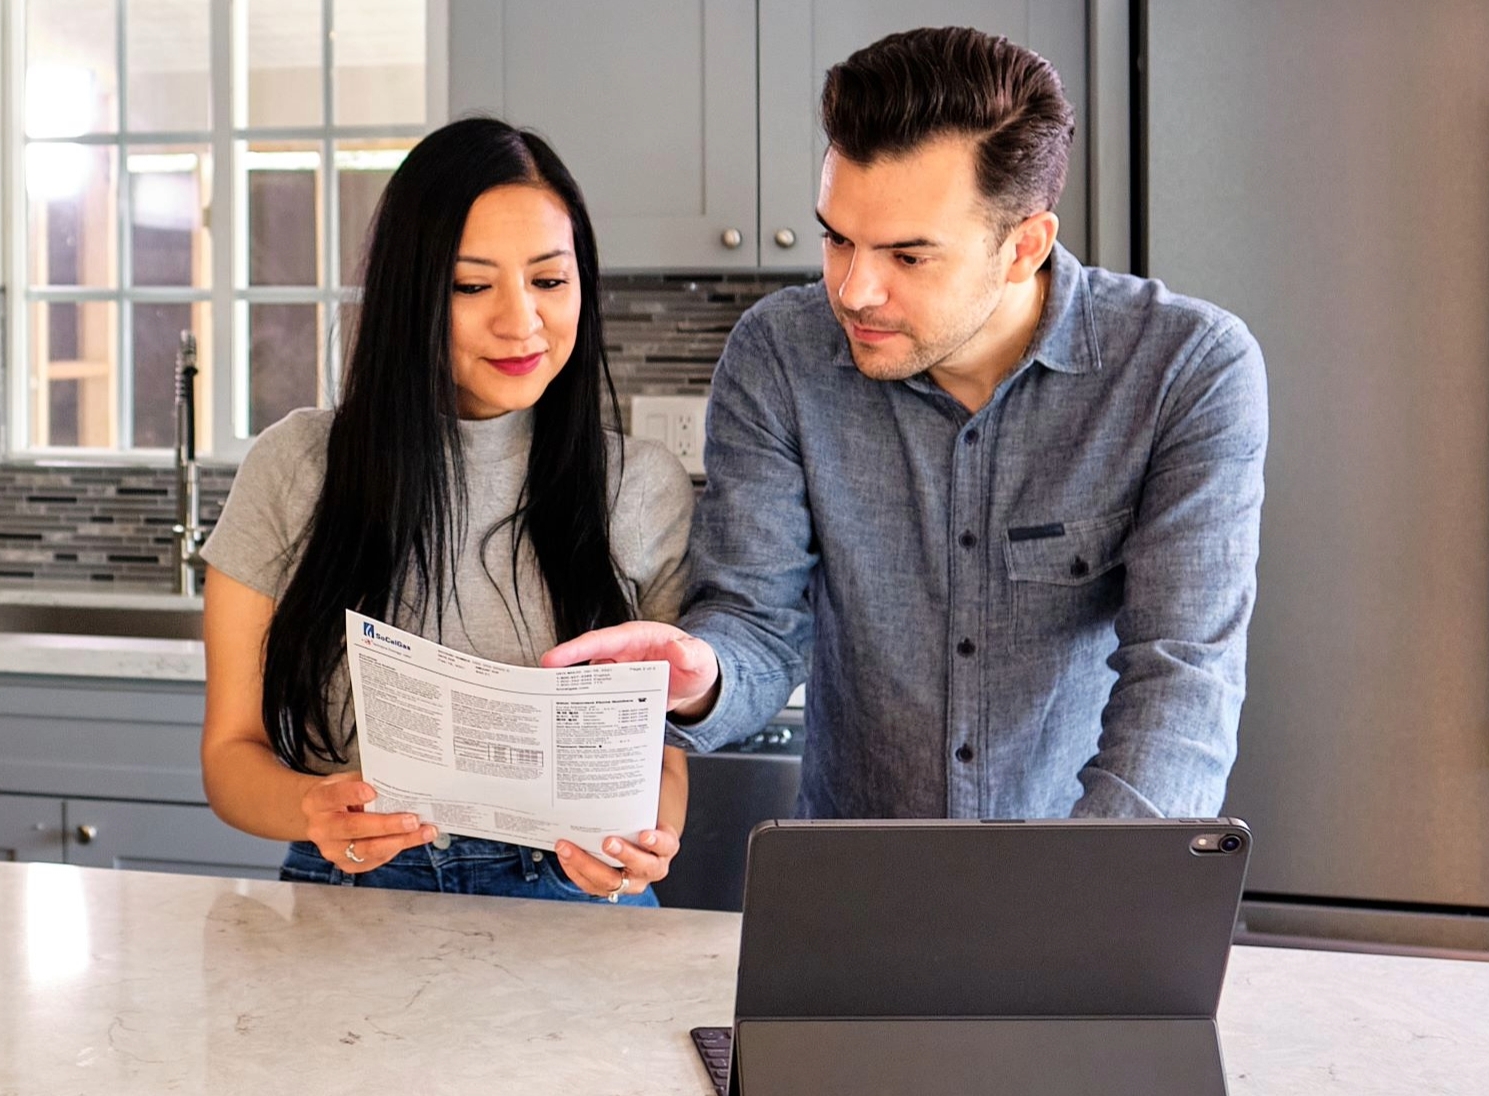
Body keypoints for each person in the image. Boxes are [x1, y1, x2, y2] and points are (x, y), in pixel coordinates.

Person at [544, 27, 1268, 821]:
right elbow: (755, 618)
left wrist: (1086, 889)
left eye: (908, 257)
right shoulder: (779, 354)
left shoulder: (1184, 368)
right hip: (853, 893)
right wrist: (704, 672)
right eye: (836, 238)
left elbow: (1181, 670)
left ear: (1024, 246)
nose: (854, 290)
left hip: (1089, 876)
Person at [196, 118, 694, 903]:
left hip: (574, 896)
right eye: (470, 286)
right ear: (412, 294)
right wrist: (310, 807)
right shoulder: (295, 466)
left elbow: (659, 754)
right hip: (353, 887)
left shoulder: (642, 486)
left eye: (549, 280)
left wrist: (645, 843)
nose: (520, 321)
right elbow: (231, 752)